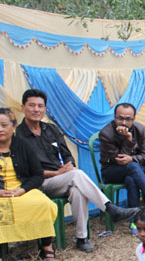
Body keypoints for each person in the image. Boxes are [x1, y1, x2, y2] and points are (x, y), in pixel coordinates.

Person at [15, 89, 137, 252]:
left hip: (63, 179)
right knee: (77, 176)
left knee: (77, 190)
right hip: (39, 183)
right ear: (23, 107)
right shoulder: (18, 137)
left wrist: (69, 164)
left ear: (45, 109)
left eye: (40, 106)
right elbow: (25, 173)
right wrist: (57, 173)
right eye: (32, 105)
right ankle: (110, 209)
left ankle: (82, 238)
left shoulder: (50, 129)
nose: (36, 109)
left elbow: (67, 154)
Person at [0, 107, 57, 261]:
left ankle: (46, 245)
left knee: (44, 204)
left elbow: (37, 174)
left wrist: (23, 189)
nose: (0, 129)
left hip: (22, 188)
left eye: (4, 125)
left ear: (13, 126)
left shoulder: (23, 145)